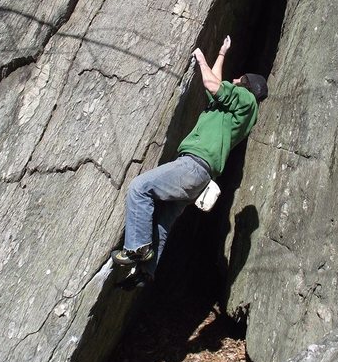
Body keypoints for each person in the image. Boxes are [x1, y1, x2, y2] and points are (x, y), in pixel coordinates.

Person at [111, 36, 268, 287]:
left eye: (240, 79)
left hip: (193, 166)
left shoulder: (246, 100)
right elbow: (215, 85)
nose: (235, 79)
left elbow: (212, 83)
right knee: (162, 221)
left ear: (247, 86)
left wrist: (200, 58)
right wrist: (221, 53)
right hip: (200, 177)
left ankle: (138, 248)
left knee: (140, 188)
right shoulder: (231, 110)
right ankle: (145, 273)